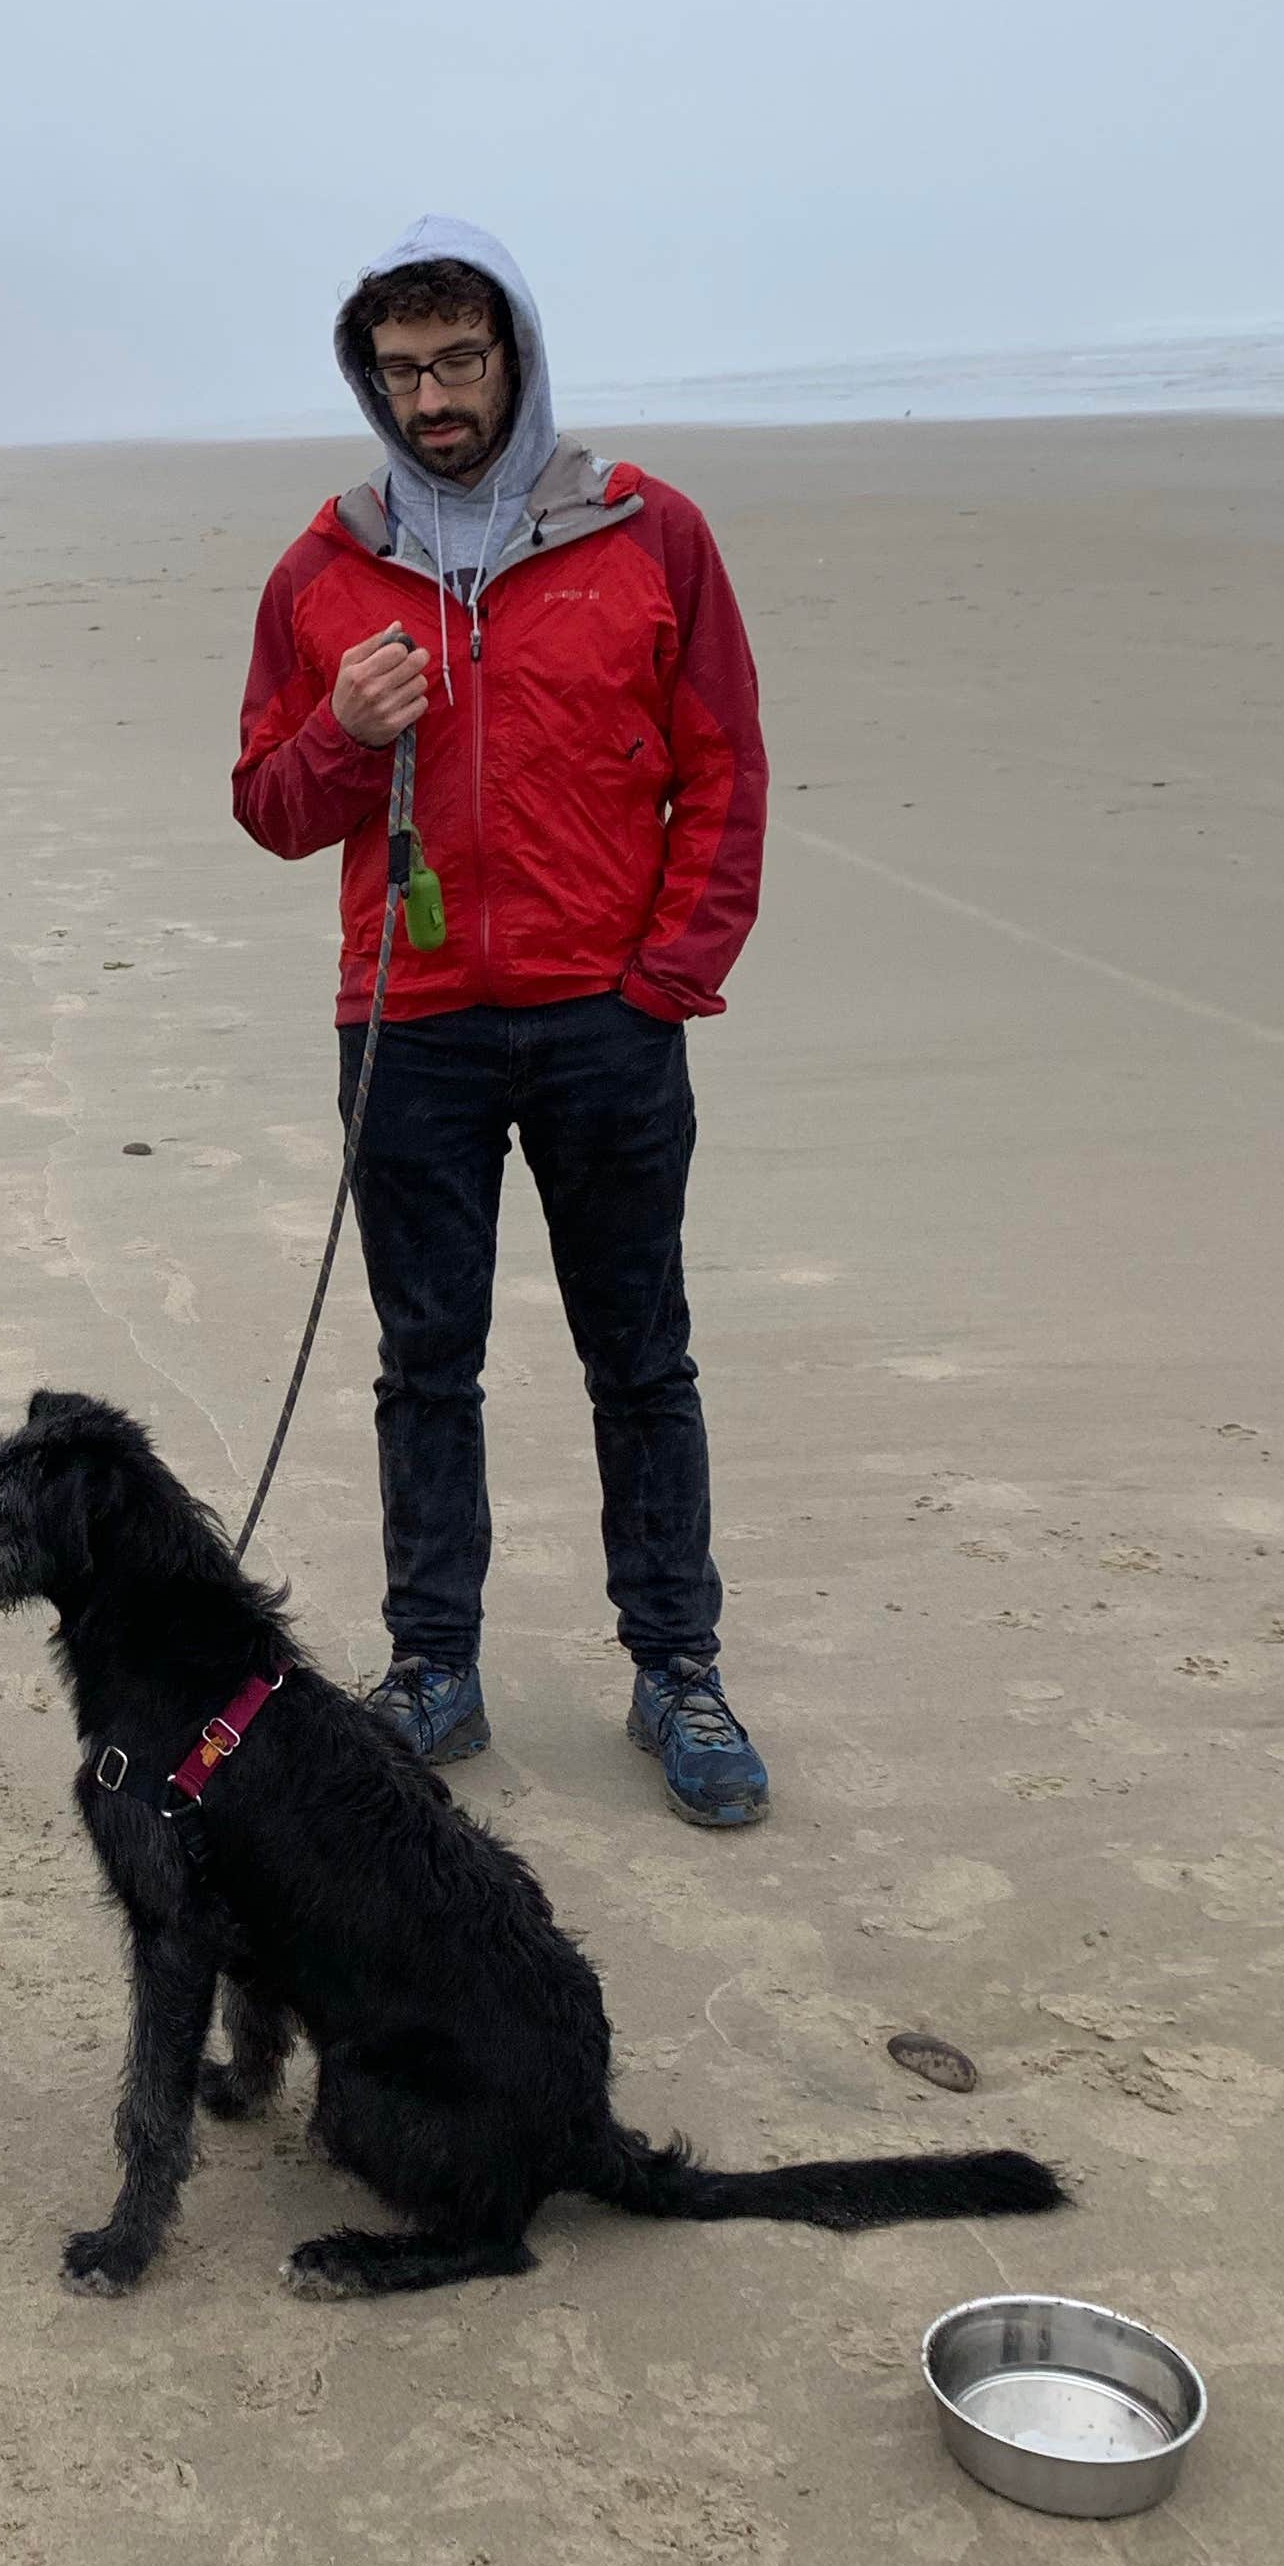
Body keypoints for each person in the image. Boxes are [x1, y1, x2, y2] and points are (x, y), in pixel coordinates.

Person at [232, 218, 771, 1826]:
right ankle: (435, 1672)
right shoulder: (324, 570)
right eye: (400, 369)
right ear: (367, 377)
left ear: (515, 352)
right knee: (425, 1364)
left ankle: (678, 1670)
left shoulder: (646, 532)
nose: (431, 396)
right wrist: (342, 730)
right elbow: (267, 803)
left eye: (458, 360)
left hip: (608, 1018)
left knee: (641, 1360)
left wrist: (672, 967)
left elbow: (723, 763)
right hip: (410, 1023)